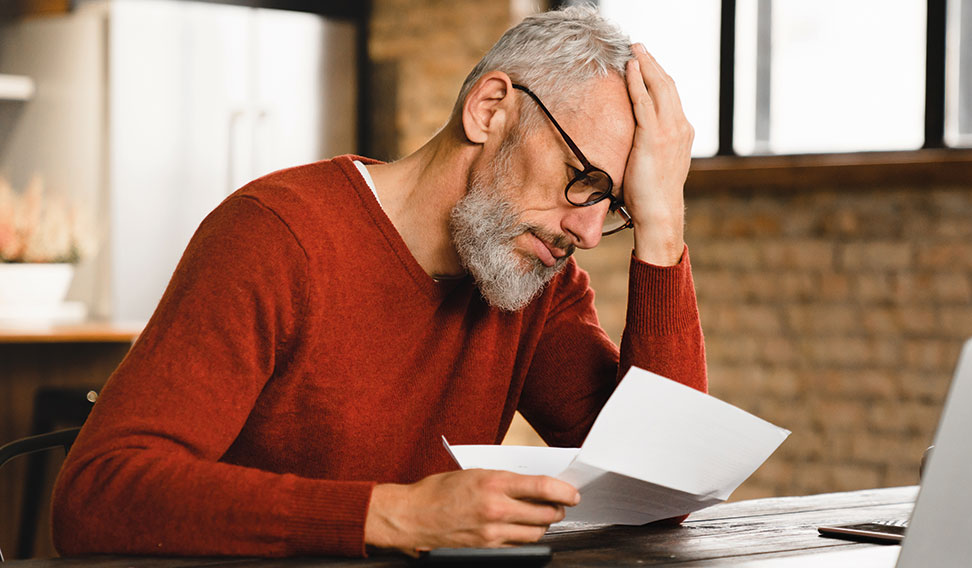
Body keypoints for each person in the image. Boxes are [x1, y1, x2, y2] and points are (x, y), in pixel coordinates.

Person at [52, 5, 706, 558]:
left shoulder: (536, 281)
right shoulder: (276, 237)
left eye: (614, 205)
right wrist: (392, 516)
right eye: (583, 180)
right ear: (490, 109)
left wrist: (662, 223)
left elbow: (657, 487)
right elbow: (97, 494)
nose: (589, 233)